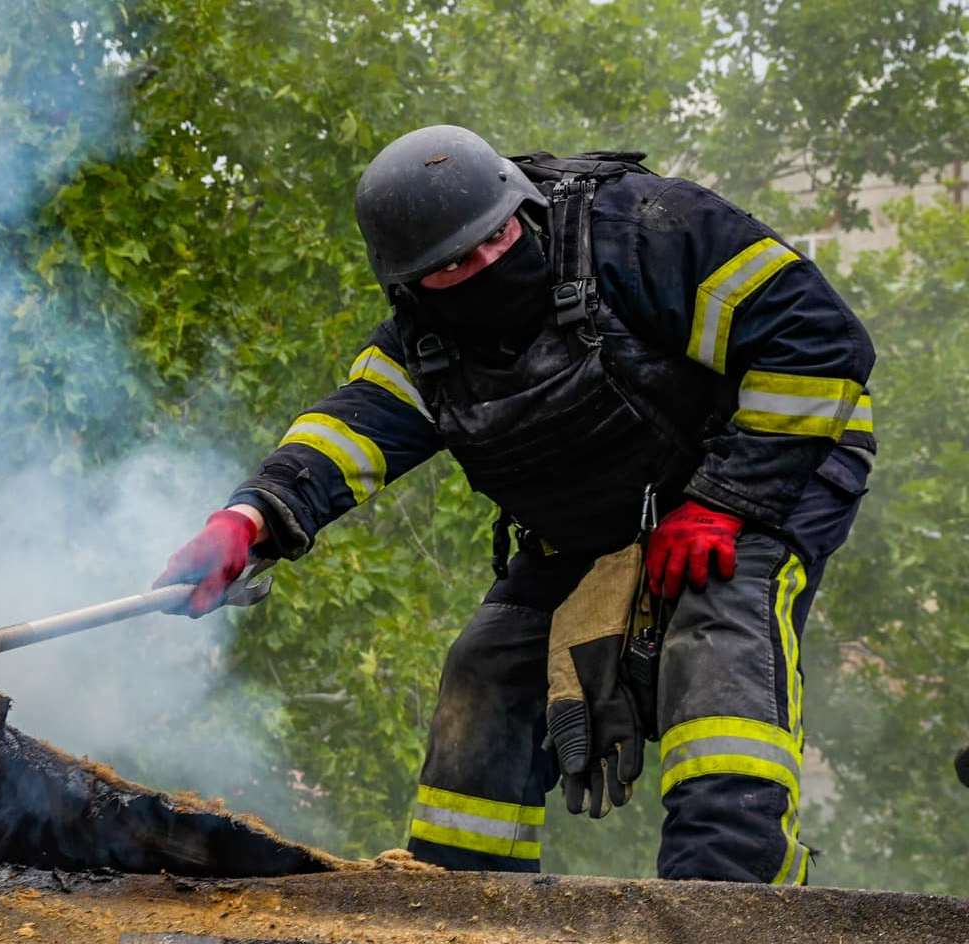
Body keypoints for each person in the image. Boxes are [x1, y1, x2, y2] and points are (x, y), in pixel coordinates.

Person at [156, 125, 875, 883]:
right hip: (595, 517)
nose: (489, 263)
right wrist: (248, 519)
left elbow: (822, 340)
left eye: (498, 236)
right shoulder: (425, 345)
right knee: (486, 666)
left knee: (714, 630)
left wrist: (722, 503)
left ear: (520, 206)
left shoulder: (641, 232)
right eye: (458, 263)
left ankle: (731, 901)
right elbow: (351, 428)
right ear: (409, 282)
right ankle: (459, 907)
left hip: (775, 459)